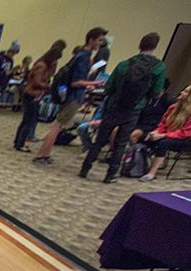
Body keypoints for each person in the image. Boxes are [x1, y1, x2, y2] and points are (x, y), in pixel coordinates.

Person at [80, 32, 166, 182]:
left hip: (114, 106)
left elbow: (108, 88)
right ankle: (111, 175)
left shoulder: (124, 64)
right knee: (120, 143)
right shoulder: (159, 68)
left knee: (100, 140)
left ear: (140, 45)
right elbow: (155, 93)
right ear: (155, 47)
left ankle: (85, 168)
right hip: (134, 110)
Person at [34, 28, 107, 165]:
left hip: (68, 94)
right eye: (99, 40)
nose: (100, 44)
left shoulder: (80, 55)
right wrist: (94, 82)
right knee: (57, 126)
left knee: (58, 125)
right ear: (91, 39)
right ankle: (42, 155)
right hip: (73, 96)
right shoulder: (84, 57)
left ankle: (44, 154)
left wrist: (87, 84)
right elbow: (76, 82)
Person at [140, 84, 191, 181]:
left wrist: (162, 135)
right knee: (144, 137)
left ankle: (152, 173)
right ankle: (141, 164)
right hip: (167, 134)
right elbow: (163, 123)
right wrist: (156, 132)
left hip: (184, 139)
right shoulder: (173, 107)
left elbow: (184, 133)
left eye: (185, 92)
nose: (181, 93)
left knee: (163, 143)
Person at [14, 49, 61, 152]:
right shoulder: (42, 66)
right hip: (32, 94)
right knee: (29, 120)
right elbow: (36, 82)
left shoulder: (41, 65)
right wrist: (48, 86)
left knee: (26, 120)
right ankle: (20, 143)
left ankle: (18, 142)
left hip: (32, 94)